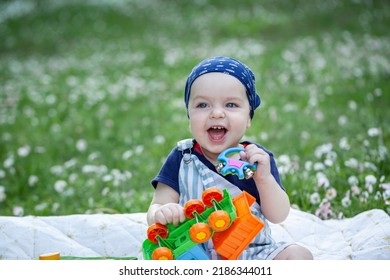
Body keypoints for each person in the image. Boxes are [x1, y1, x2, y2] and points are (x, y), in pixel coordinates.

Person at [146, 56, 313, 260]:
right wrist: (162, 212)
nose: (217, 113)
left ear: (249, 117)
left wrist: (264, 179)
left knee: (299, 255)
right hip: (195, 255)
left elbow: (279, 215)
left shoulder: (255, 160)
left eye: (231, 105)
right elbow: (156, 205)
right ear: (189, 115)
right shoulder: (183, 156)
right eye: (202, 105)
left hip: (253, 253)